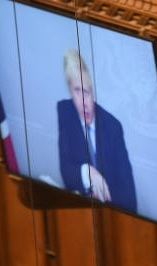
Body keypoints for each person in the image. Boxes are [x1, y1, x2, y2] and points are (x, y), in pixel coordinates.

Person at [57, 48, 137, 213]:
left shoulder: (113, 127)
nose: (84, 102)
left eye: (88, 92)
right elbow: (66, 171)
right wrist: (87, 172)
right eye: (77, 91)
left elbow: (130, 197)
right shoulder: (64, 111)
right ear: (69, 90)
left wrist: (100, 195)